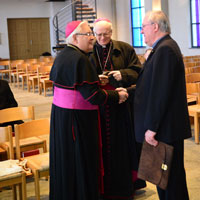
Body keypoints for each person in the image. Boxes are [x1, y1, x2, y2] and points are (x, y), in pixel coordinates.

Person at [49, 20, 128, 200]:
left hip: (62, 119)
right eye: (89, 34)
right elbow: (94, 96)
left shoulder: (63, 55)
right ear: (76, 38)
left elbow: (74, 86)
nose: (93, 38)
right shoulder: (80, 59)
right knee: (80, 162)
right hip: (78, 122)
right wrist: (118, 96)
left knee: (66, 161)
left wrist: (95, 80)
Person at [134, 10, 191, 200]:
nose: (142, 31)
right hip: (166, 128)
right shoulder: (163, 48)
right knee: (164, 179)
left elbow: (160, 94)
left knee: (171, 181)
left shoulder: (165, 49)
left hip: (165, 129)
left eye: (143, 27)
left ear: (155, 26)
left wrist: (152, 127)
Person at [90, 18, 145, 200]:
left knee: (123, 146)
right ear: (94, 34)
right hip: (99, 107)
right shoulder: (88, 51)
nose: (102, 38)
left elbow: (138, 72)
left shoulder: (125, 48)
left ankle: (125, 184)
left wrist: (123, 74)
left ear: (111, 33)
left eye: (106, 34)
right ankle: (102, 187)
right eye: (98, 34)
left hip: (122, 106)